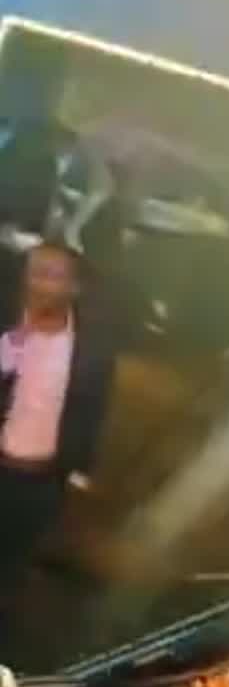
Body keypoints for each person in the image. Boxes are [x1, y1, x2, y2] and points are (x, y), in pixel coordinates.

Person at [0, 241, 115, 600]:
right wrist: (20, 335)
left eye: (52, 276)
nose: (38, 284)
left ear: (73, 287)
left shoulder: (90, 349)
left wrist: (80, 472)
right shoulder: (7, 328)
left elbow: (92, 409)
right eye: (34, 273)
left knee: (11, 568)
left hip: (41, 482)